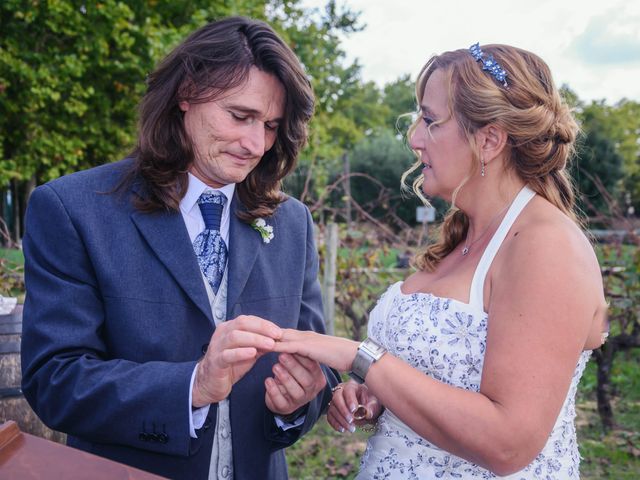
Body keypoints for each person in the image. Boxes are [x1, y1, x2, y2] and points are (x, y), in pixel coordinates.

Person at [21, 16, 339, 480]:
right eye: (240, 115)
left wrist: (299, 402)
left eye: (270, 126)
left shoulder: (291, 222)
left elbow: (319, 365)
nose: (255, 144)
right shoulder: (72, 209)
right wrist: (192, 386)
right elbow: (54, 380)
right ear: (185, 94)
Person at [273, 43, 609, 479]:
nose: (414, 138)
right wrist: (374, 396)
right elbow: (438, 382)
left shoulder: (546, 246)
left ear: (488, 139)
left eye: (430, 121)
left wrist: (360, 357)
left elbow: (508, 443)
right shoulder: (462, 237)